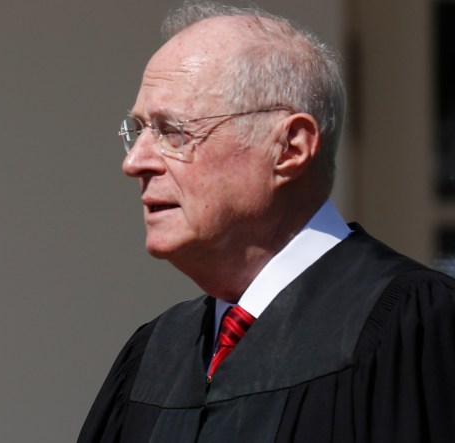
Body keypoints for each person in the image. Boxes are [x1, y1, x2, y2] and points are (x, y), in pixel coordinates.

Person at [77, 2, 455, 442]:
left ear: (290, 148)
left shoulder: (414, 330)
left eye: (172, 130)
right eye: (139, 130)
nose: (135, 162)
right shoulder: (153, 356)